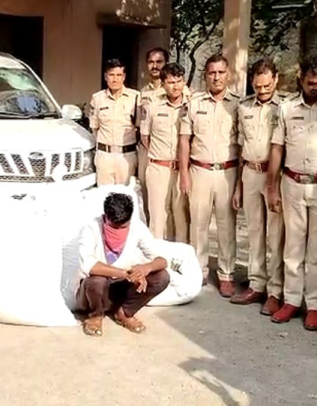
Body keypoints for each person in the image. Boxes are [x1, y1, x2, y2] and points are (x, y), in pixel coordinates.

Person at [266, 54, 317, 331]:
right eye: (312, 82)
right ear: (301, 79)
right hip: (292, 182)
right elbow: (277, 148)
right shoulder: (286, 108)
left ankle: (316, 305)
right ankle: (291, 300)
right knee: (293, 246)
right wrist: (272, 187)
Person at [178, 54, 241, 298]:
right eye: (212, 73)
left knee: (227, 226)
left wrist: (240, 183)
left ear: (228, 75)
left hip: (228, 172)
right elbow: (185, 140)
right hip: (199, 170)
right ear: (205, 76)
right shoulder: (194, 103)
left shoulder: (238, 105)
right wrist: (184, 174)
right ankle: (200, 270)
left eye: (221, 72)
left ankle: (226, 274)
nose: (216, 77)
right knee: (198, 224)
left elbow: (243, 145)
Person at [230, 58, 286, 314]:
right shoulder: (244, 106)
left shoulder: (285, 107)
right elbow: (241, 147)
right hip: (250, 173)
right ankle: (256, 284)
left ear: (276, 80)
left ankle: (275, 290)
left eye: (267, 86)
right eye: (257, 86)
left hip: (275, 176)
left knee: (276, 235)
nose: (262, 91)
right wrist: (239, 186)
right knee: (254, 233)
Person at [75, 193, 170, 337]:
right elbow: (88, 265)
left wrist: (145, 269)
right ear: (106, 217)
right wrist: (126, 274)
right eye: (114, 227)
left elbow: (162, 259)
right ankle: (95, 315)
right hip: (93, 293)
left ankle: (124, 313)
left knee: (162, 276)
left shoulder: (137, 227)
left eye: (123, 227)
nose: (119, 232)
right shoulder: (91, 228)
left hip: (122, 288)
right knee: (97, 281)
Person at [139, 47, 191, 221]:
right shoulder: (149, 100)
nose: (175, 86)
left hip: (182, 167)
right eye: (170, 82)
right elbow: (145, 136)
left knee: (180, 218)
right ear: (164, 84)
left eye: (178, 82)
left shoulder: (190, 102)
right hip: (158, 165)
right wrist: (159, 154)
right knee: (157, 217)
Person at [89, 59, 140, 185]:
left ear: (124, 77)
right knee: (104, 194)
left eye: (118, 75)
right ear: (105, 77)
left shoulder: (135, 97)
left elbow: (139, 127)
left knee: (125, 194)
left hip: (126, 156)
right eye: (111, 75)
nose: (115, 79)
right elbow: (94, 128)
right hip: (105, 156)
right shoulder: (97, 98)